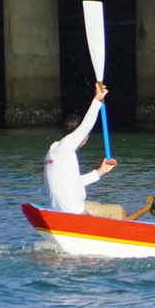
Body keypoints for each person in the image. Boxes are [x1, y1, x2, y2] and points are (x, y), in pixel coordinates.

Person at [44, 82, 116, 215]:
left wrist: (100, 172)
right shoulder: (66, 145)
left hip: (61, 209)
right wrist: (96, 100)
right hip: (74, 210)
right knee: (119, 211)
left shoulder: (54, 150)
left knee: (98, 205)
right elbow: (86, 125)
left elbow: (73, 183)